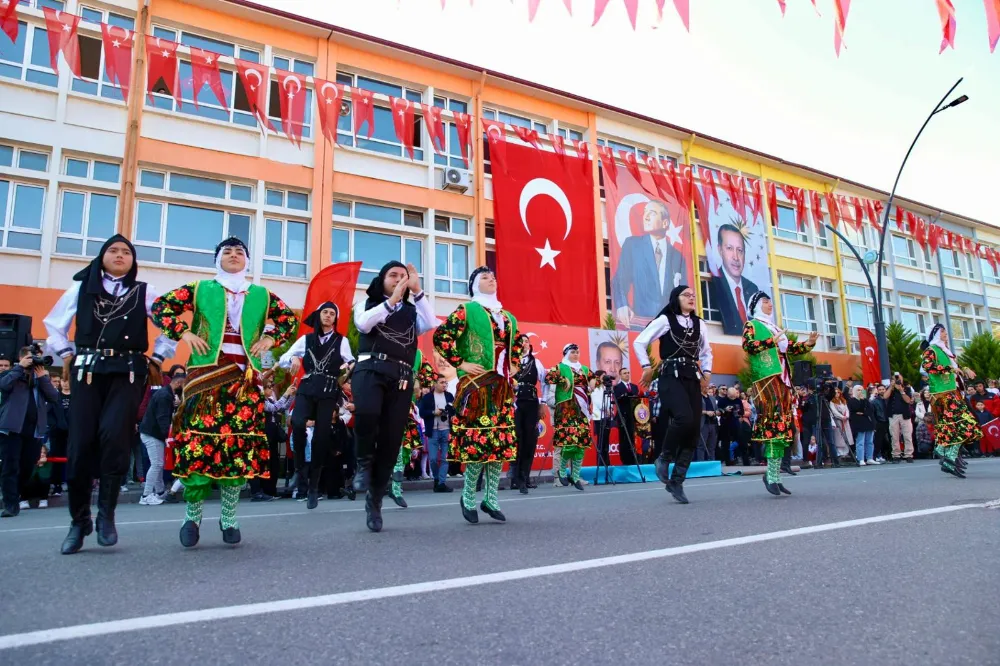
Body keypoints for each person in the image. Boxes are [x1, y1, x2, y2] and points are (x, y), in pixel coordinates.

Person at [151, 237, 298, 547]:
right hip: (205, 377)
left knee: (238, 450)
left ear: (248, 260)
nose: (234, 256)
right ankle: (192, 517)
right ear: (217, 259)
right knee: (198, 449)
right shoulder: (199, 289)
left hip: (244, 382)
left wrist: (270, 340)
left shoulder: (261, 295)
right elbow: (161, 307)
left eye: (240, 252)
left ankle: (229, 516)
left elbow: (289, 321)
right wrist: (184, 332)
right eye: (227, 252)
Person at [44, 235, 175, 554]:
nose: (120, 255)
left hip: (128, 372)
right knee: (80, 445)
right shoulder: (81, 288)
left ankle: (106, 515)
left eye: (126, 251)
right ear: (102, 256)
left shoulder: (145, 291)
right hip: (87, 371)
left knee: (114, 439)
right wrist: (65, 353)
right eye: (113, 250)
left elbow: (170, 325)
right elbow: (54, 324)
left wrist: (158, 357)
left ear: (134, 260)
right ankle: (79, 521)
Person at [352, 261, 436, 533]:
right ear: (382, 279)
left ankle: (374, 499)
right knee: (366, 414)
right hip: (369, 369)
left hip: (400, 377)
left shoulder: (412, 312)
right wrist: (393, 300)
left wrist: (418, 291)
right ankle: (363, 465)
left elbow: (431, 322)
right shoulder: (366, 304)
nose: (399, 279)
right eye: (393, 275)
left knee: (391, 441)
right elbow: (364, 326)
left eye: (404, 276)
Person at [434, 267, 522, 523]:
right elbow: (442, 336)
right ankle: (468, 496)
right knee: (478, 444)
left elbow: (516, 345)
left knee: (499, 444)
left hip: (500, 387)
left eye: (493, 276)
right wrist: (460, 363)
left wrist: (513, 365)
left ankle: (491, 499)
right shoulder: (466, 310)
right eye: (484, 277)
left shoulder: (508, 317)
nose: (491, 279)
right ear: (474, 285)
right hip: (475, 385)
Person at [634, 285, 713, 504]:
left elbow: (706, 352)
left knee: (693, 429)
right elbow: (639, 341)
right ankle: (664, 457)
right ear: (675, 298)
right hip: (670, 376)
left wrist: (706, 373)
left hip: (692, 376)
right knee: (683, 417)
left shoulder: (700, 324)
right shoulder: (665, 320)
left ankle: (677, 481)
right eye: (686, 295)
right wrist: (646, 366)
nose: (691, 298)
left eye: (693, 296)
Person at [278, 302, 354, 510]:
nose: (328, 316)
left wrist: (348, 367)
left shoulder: (342, 341)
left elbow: (352, 361)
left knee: (321, 437)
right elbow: (283, 358)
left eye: (332, 313)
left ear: (336, 319)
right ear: (319, 315)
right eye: (325, 312)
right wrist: (293, 357)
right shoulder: (307, 339)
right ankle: (300, 472)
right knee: (297, 422)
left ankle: (313, 487)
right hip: (308, 386)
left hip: (329, 390)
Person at [741, 292, 816, 495]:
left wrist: (807, 344)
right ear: (756, 306)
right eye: (765, 302)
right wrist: (769, 342)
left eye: (770, 302)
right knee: (774, 426)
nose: (770, 305)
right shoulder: (753, 325)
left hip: (783, 380)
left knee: (783, 427)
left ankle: (774, 475)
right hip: (767, 379)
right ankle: (771, 475)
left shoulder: (773, 326)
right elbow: (747, 345)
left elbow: (788, 347)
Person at [0, 348, 60, 517]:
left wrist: (43, 378)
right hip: (11, 428)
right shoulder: (11, 374)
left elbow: (54, 397)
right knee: (9, 466)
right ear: (22, 358)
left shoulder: (40, 378)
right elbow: (3, 385)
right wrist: (20, 367)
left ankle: (15, 494)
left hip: (34, 430)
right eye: (32, 358)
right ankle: (10, 504)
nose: (35, 362)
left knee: (27, 467)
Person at [612, 200, 687, 327]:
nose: (645, 217)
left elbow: (683, 294)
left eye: (651, 213)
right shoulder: (633, 245)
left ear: (665, 223)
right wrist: (622, 304)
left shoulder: (677, 257)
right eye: (645, 213)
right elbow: (620, 279)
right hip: (639, 323)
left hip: (668, 327)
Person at [920, 324, 979, 478]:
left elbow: (954, 366)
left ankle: (944, 452)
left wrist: (964, 369)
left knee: (954, 427)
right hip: (942, 394)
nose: (946, 334)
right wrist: (951, 370)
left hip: (951, 392)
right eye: (943, 332)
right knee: (962, 425)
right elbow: (928, 367)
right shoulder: (931, 350)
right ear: (936, 334)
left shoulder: (944, 350)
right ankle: (948, 457)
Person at [388, 351, 438, 508]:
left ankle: (395, 488)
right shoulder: (385, 349)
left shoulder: (417, 354)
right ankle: (378, 488)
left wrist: (420, 384)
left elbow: (430, 374)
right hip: (384, 408)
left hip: (405, 410)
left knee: (403, 449)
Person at [544, 343, 596, 491]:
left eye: (578, 352)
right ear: (566, 353)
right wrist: (563, 380)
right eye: (573, 352)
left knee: (581, 444)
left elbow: (593, 379)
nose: (576, 355)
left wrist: (593, 382)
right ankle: (561, 471)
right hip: (566, 410)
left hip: (582, 410)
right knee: (567, 442)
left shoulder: (584, 369)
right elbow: (548, 377)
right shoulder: (561, 367)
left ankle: (575, 475)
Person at [138, 370, 186, 505]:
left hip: (152, 433)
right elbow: (162, 419)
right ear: (178, 383)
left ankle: (159, 492)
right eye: (184, 384)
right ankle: (146, 495)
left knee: (158, 463)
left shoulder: (167, 394)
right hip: (152, 434)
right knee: (157, 464)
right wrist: (168, 437)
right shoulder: (165, 396)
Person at [709, 224, 760, 336]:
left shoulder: (752, 289)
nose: (736, 257)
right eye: (729, 249)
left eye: (740, 250)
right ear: (720, 250)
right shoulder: (712, 283)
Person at [250, 377, 294, 502]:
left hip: (271, 436)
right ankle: (257, 492)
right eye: (269, 386)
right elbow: (274, 408)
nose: (272, 388)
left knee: (272, 464)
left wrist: (291, 395)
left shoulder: (269, 400)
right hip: (261, 436)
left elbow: (282, 406)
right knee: (261, 464)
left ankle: (270, 490)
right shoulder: (260, 400)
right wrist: (286, 394)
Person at [512, 334, 545, 494]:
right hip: (515, 404)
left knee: (530, 440)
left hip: (531, 403)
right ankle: (515, 477)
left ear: (530, 345)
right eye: (521, 341)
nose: (524, 344)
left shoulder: (536, 362)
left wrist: (543, 403)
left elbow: (545, 382)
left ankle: (524, 477)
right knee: (517, 437)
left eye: (526, 341)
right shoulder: (511, 362)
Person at [419, 375, 454, 493]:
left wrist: (449, 412)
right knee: (433, 459)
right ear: (435, 383)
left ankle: (442, 483)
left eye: (446, 383)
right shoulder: (428, 397)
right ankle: (436, 478)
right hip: (432, 430)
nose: (444, 385)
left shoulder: (449, 396)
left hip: (446, 429)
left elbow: (455, 410)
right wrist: (434, 412)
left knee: (444, 458)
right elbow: (422, 413)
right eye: (441, 382)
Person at [45, 375, 71, 497]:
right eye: (63, 381)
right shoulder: (55, 396)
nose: (65, 383)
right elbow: (48, 413)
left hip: (73, 433)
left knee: (73, 458)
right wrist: (54, 426)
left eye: (68, 381)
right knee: (56, 458)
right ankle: (57, 484)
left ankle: (71, 482)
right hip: (57, 433)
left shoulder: (76, 397)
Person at [613, 366, 641, 465]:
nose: (627, 374)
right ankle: (625, 460)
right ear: (620, 375)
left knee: (634, 438)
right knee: (624, 438)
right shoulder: (617, 387)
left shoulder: (634, 387)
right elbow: (617, 400)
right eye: (624, 373)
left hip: (634, 417)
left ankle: (635, 459)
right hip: (623, 416)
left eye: (628, 372)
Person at [884, 372, 915, 463]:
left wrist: (901, 390)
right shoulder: (890, 389)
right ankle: (896, 455)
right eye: (895, 378)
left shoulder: (907, 388)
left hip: (905, 415)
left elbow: (908, 400)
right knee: (894, 435)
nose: (897, 380)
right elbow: (885, 397)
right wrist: (891, 387)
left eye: (899, 378)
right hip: (893, 415)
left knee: (907, 435)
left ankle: (908, 454)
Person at [591, 370, 614, 483]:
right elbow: (597, 402)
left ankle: (607, 464)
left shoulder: (606, 388)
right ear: (598, 377)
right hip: (599, 417)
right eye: (603, 376)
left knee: (606, 443)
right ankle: (600, 465)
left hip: (607, 417)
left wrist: (610, 410)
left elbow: (610, 401)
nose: (605, 378)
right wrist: (606, 409)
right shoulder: (595, 388)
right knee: (601, 442)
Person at [848, 385, 877, 466]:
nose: (860, 392)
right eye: (858, 390)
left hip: (868, 422)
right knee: (860, 442)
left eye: (861, 390)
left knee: (870, 441)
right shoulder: (851, 400)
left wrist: (863, 412)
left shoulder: (865, 400)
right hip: (858, 423)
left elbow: (870, 410)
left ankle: (869, 458)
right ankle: (860, 458)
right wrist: (862, 410)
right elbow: (856, 409)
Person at [697, 379, 719, 462]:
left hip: (713, 423)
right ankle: (701, 464)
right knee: (701, 445)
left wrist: (716, 412)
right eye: (705, 386)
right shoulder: (697, 397)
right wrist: (706, 412)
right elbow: (694, 410)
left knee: (712, 446)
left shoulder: (712, 398)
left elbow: (716, 410)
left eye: (708, 387)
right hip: (703, 424)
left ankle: (711, 463)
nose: (707, 388)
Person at [829, 387, 853, 459]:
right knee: (839, 437)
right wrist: (842, 417)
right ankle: (840, 453)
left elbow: (847, 410)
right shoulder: (832, 402)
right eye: (835, 392)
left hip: (845, 421)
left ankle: (846, 452)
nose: (837, 394)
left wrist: (846, 416)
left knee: (847, 436)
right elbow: (834, 412)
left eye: (838, 392)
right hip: (838, 421)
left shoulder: (843, 401)